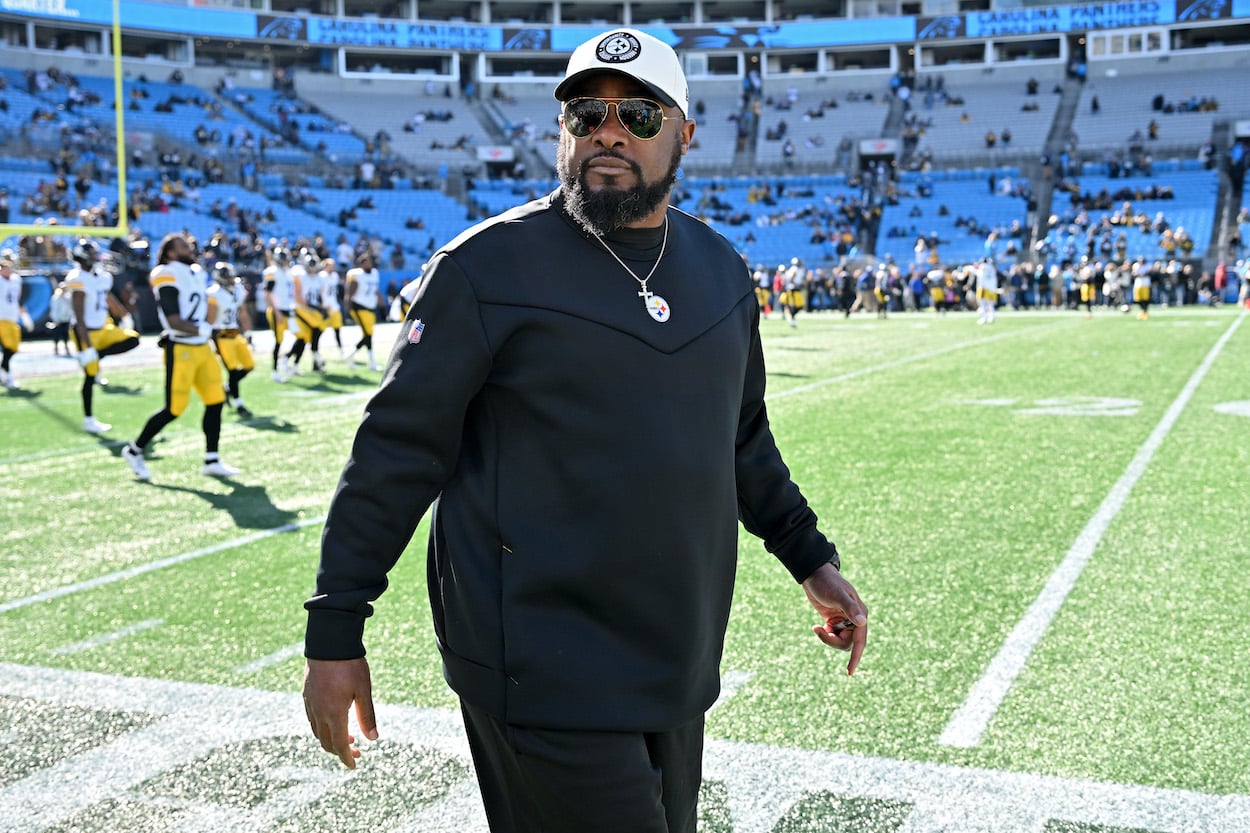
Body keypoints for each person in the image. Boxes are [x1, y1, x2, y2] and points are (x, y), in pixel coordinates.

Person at [301, 28, 869, 833]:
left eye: (638, 113)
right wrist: (335, 632)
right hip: (538, 668)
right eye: (585, 112)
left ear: (684, 134)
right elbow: (394, 454)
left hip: (675, 658)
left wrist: (810, 557)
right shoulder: (483, 269)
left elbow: (741, 438)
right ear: (560, 128)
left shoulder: (720, 271)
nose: (608, 130)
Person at [121, 233, 240, 481]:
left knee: (216, 400)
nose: (190, 247)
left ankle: (212, 459)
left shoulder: (196, 271)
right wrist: (205, 329)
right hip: (182, 347)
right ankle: (134, 449)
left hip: (202, 347)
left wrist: (207, 327)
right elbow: (174, 319)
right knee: (174, 409)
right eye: (183, 246)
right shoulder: (165, 272)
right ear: (170, 252)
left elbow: (202, 306)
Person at [65, 238, 140, 433]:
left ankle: (97, 356)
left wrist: (123, 314)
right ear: (82, 258)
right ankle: (88, 419)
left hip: (103, 327)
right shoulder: (77, 278)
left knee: (132, 339)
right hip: (85, 331)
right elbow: (79, 317)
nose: (96, 257)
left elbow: (108, 297)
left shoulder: (100, 276)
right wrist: (88, 346)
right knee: (90, 377)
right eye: (91, 254)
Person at [208, 260, 256, 418]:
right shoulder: (213, 293)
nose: (231, 280)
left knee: (249, 365)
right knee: (233, 370)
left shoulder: (238, 290)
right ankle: (239, 403)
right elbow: (210, 319)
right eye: (228, 277)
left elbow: (242, 312)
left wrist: (248, 333)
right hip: (220, 334)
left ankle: (228, 388)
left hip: (235, 332)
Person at [262, 246, 296, 382]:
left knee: (303, 336)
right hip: (278, 310)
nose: (286, 261)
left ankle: (286, 359)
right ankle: (275, 371)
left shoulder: (287, 272)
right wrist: (276, 311)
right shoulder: (272, 272)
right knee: (278, 341)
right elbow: (268, 293)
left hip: (288, 309)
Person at [0, 250, 33, 390]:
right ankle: (6, 376)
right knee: (8, 348)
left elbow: (17, 299)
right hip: (1, 319)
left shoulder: (16, 280)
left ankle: (3, 374)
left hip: (13, 318)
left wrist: (24, 315)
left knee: (13, 348)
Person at [343, 251, 381, 370]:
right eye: (367, 262)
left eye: (370, 262)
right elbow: (349, 292)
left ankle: (350, 355)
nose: (369, 264)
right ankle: (371, 361)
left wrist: (380, 300)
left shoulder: (375, 273)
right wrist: (348, 307)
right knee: (368, 334)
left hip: (370, 307)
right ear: (362, 264)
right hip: (359, 307)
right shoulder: (356, 274)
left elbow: (375, 289)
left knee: (368, 334)